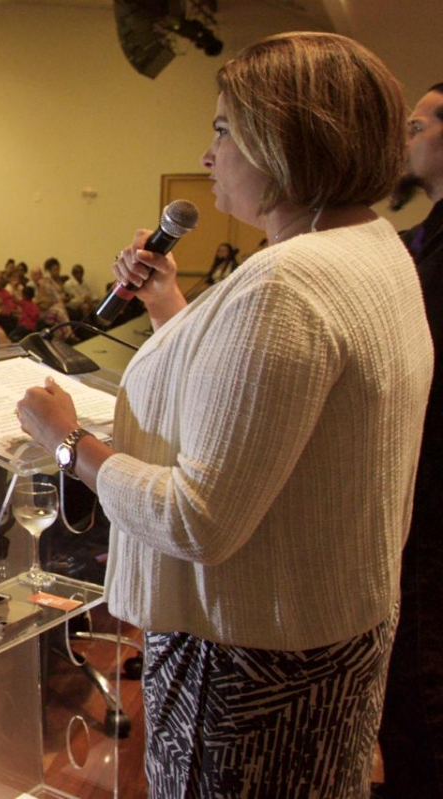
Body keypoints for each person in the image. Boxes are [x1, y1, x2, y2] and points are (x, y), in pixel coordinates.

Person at [15, 33, 430, 797]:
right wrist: (169, 302)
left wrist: (71, 443)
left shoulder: (288, 284)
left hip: (246, 654)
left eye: (222, 130)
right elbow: (261, 406)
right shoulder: (370, 245)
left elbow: (200, 519)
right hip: (326, 628)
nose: (208, 157)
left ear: (284, 137)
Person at [379, 82, 443, 799]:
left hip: (430, 494)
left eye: (417, 124)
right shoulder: (420, 237)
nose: (405, 137)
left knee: (423, 685)